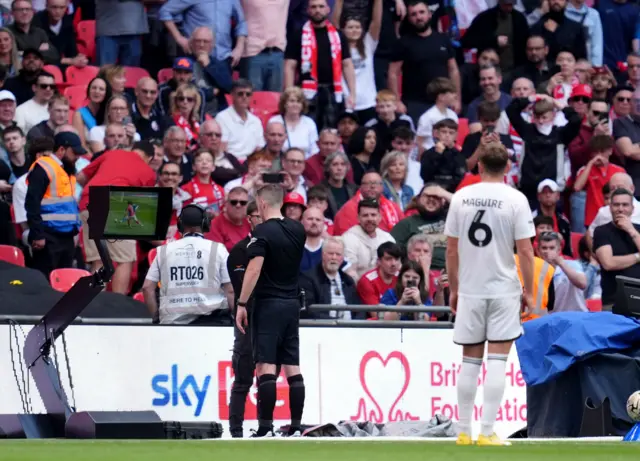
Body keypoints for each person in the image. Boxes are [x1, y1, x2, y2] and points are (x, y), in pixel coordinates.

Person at [444, 142, 535, 446]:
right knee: (497, 360)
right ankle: (486, 432)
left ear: (478, 165)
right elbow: (525, 250)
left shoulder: (461, 198)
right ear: (508, 167)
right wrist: (530, 291)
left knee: (469, 361)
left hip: (470, 289)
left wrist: (454, 289)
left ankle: (462, 432)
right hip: (503, 289)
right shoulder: (516, 199)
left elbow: (451, 249)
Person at [235, 184, 306, 438]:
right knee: (292, 366)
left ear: (262, 204)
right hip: (292, 304)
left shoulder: (262, 231)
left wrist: (242, 303)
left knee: (266, 365)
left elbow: (254, 269)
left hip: (268, 304)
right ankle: (297, 426)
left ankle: (266, 427)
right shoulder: (299, 230)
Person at [77, 142, 157, 294]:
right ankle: (117, 307)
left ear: (133, 149)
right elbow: (141, 205)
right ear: (150, 158)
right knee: (124, 260)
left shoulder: (111, 153)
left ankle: (94, 307)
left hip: (89, 201)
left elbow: (80, 177)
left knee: (99, 260)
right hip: (118, 203)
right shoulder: (149, 173)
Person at [143, 204, 234, 325]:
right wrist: (235, 317)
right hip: (213, 324)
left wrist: (156, 319)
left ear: (180, 225)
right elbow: (230, 290)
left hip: (171, 324)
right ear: (205, 224)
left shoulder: (163, 251)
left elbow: (147, 288)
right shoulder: (218, 249)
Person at [283, 0, 356, 129]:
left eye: (321, 6)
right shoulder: (298, 35)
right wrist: (289, 94)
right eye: (314, 7)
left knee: (331, 131)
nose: (318, 10)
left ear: (328, 9)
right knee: (307, 128)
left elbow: (347, 65)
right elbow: (290, 66)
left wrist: (353, 94)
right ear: (308, 10)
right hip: (306, 92)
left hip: (332, 92)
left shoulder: (338, 35)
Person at [226, 200, 263, 438]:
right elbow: (240, 288)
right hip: (247, 320)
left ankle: (265, 428)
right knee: (243, 379)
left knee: (268, 378)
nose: (264, 220)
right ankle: (236, 431)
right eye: (259, 216)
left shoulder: (274, 248)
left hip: (269, 320)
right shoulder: (240, 250)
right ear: (250, 219)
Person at [25, 132, 85, 277]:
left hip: (66, 236)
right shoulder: (43, 168)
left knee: (64, 279)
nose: (77, 157)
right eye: (74, 152)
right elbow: (32, 203)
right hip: (47, 236)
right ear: (61, 150)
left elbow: (68, 204)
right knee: (46, 280)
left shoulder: (66, 170)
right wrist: (38, 234)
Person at [593, 189, 640, 311]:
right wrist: (637, 257)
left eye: (625, 205)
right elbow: (608, 263)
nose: (620, 209)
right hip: (613, 302)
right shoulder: (601, 231)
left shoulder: (638, 230)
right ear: (610, 207)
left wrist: (632, 231)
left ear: (632, 208)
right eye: (616, 205)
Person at [300, 236, 362, 319]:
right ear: (323, 255)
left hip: (350, 328)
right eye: (330, 253)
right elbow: (307, 311)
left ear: (343, 258)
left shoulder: (348, 280)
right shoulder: (308, 279)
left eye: (338, 254)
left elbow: (360, 310)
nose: (334, 257)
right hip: (324, 328)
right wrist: (335, 323)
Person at [342, 198, 396, 281]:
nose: (370, 219)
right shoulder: (348, 239)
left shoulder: (387, 238)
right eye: (365, 215)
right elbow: (349, 273)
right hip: (359, 289)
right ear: (358, 218)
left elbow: (396, 268)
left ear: (379, 217)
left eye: (373, 215)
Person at [537, 231, 587, 312]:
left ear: (559, 250)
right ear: (538, 250)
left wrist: (560, 263)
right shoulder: (535, 270)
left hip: (576, 315)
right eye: (544, 248)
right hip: (552, 318)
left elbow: (582, 284)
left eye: (552, 248)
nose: (547, 251)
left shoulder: (572, 264)